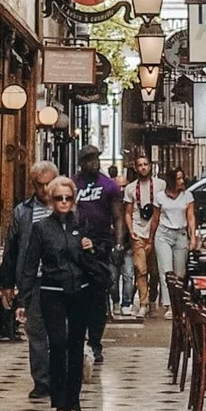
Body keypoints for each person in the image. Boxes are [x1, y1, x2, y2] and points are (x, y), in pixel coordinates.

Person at [16, 172, 101, 411]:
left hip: (80, 291)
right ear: (51, 201)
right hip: (52, 291)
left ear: (74, 199)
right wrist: (23, 300)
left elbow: (97, 260)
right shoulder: (41, 229)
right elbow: (31, 265)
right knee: (58, 343)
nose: (64, 202)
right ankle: (58, 403)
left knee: (75, 345)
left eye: (68, 197)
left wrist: (90, 248)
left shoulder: (83, 223)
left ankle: (73, 403)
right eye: (58, 198)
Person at [2, 162, 59, 402]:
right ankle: (42, 382)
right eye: (40, 185)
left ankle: (60, 379)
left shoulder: (66, 208)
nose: (45, 189)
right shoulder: (23, 212)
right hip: (33, 281)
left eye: (49, 184)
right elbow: (12, 248)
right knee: (36, 333)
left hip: (60, 281)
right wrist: (6, 283)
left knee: (60, 333)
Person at [72, 151, 123, 368]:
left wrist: (118, 244)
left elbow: (118, 217)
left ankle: (95, 343)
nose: (93, 163)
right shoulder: (72, 184)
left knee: (98, 296)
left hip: (101, 246)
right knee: (75, 295)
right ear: (81, 162)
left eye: (95, 159)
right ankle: (76, 341)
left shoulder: (109, 186)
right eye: (88, 159)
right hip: (76, 245)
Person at [154, 160, 197, 303]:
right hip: (163, 234)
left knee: (180, 273)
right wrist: (150, 237)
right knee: (166, 271)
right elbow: (155, 218)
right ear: (172, 180)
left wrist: (193, 238)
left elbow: (191, 217)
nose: (182, 181)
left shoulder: (187, 196)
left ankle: (178, 303)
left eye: (182, 177)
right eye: (178, 178)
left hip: (181, 234)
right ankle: (168, 304)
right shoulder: (160, 196)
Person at [127, 161, 162, 313]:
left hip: (157, 233)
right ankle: (143, 303)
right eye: (140, 165)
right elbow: (127, 212)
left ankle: (153, 298)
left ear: (150, 166)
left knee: (155, 271)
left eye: (145, 164)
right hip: (138, 234)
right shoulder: (130, 188)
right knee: (141, 270)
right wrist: (130, 231)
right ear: (136, 168)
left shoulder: (161, 185)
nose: (143, 168)